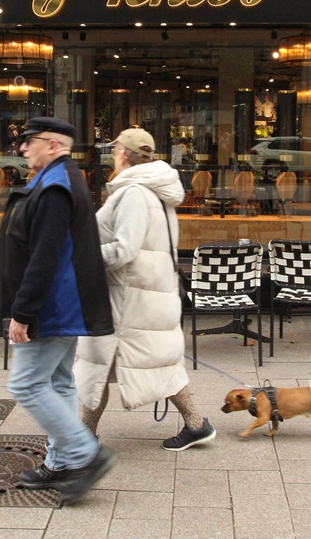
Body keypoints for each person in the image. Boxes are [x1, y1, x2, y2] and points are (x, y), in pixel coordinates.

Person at [0, 116, 116, 506]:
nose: (23, 147)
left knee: (26, 385)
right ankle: (62, 462)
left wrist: (23, 311)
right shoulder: (59, 179)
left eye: (30, 141)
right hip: (62, 306)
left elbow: (45, 257)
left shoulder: (55, 186)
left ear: (53, 145)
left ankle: (84, 454)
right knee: (60, 383)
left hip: (51, 308)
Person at [74, 128, 216, 452]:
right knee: (151, 362)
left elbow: (125, 250)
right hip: (148, 294)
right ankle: (196, 425)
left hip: (130, 298)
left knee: (101, 358)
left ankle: (82, 437)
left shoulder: (135, 193)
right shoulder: (152, 190)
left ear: (123, 153)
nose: (112, 154)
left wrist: (81, 257)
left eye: (115, 149)